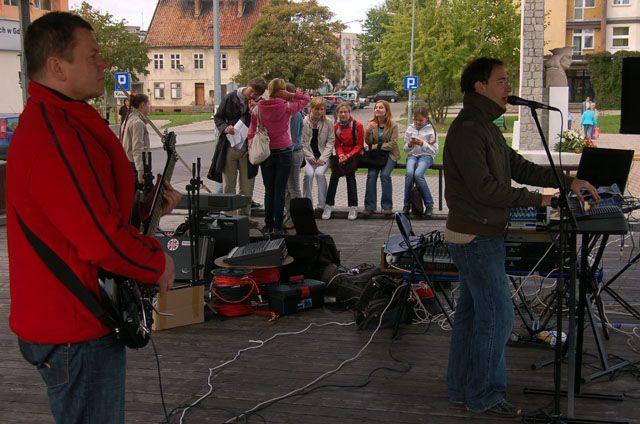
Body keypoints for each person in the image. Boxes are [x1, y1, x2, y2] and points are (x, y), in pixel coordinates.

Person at [6, 12, 181, 423]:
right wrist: (155, 262)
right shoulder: (55, 134)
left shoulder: (65, 118)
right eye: (93, 55)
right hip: (72, 325)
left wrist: (142, 208)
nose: (103, 63)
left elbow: (82, 208)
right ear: (57, 66)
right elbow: (97, 237)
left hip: (78, 315)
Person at [443, 57, 599, 417]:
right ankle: (483, 394)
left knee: (472, 314)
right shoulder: (470, 128)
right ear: (479, 87)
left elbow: (520, 167)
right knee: (498, 315)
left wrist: (566, 181)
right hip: (475, 236)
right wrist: (541, 199)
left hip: (477, 233)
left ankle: (461, 388)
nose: (508, 88)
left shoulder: (484, 126)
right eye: (501, 81)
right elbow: (486, 191)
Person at [247, 78, 309, 234]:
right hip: (284, 152)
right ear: (283, 91)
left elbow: (251, 129)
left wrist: (250, 142)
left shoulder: (258, 108)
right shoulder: (287, 107)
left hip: (266, 153)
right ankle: (278, 226)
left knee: (269, 190)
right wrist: (291, 94)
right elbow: (306, 98)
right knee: (280, 190)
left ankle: (268, 224)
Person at [214, 77, 267, 224]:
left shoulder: (259, 102)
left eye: (256, 95)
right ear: (247, 86)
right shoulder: (230, 97)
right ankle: (230, 217)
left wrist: (254, 110)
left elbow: (263, 123)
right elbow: (218, 117)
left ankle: (245, 217)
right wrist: (225, 128)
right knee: (229, 185)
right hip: (230, 147)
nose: (252, 96)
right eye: (251, 92)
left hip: (248, 151)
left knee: (247, 186)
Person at [322, 102, 364, 220]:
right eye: (341, 112)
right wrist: (340, 155)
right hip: (341, 155)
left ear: (350, 113)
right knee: (334, 175)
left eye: (345, 112)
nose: (343, 114)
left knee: (350, 176)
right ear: (337, 113)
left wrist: (348, 155)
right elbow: (337, 145)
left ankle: (353, 206)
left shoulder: (357, 125)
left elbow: (359, 145)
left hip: (354, 155)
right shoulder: (335, 127)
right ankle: (328, 205)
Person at [363, 100, 399, 215]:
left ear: (386, 111)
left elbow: (393, 143)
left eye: (381, 107)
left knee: (384, 176)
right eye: (376, 107)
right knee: (371, 176)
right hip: (375, 156)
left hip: (389, 154)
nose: (377, 109)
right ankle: (370, 207)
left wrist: (378, 146)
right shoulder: (372, 123)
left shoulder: (393, 125)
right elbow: (368, 142)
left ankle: (387, 207)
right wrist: (368, 130)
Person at [402, 106, 437, 217]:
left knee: (418, 174)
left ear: (427, 118)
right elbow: (405, 149)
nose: (418, 122)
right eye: (416, 120)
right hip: (412, 155)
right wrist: (410, 144)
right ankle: (406, 205)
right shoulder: (410, 128)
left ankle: (429, 205)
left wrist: (423, 144)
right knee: (409, 174)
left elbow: (434, 150)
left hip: (426, 156)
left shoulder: (431, 129)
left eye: (421, 120)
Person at [302, 97, 335, 210]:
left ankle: (322, 204)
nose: (319, 112)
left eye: (322, 109)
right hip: (308, 156)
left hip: (323, 156)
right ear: (311, 109)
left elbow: (331, 142)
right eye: (317, 109)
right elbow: (303, 143)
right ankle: (307, 204)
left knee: (320, 173)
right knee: (309, 174)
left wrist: (323, 158)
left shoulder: (328, 122)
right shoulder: (304, 122)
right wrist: (310, 157)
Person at [284, 82, 305, 230]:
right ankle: (289, 216)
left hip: (293, 152)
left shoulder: (294, 114)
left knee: (294, 188)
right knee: (287, 189)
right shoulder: (292, 111)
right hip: (290, 152)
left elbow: (292, 139)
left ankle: (297, 218)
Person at [121, 93, 151, 188]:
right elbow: (137, 148)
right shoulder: (137, 122)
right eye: (148, 104)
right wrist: (140, 171)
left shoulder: (129, 119)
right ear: (142, 105)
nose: (149, 107)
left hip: (129, 164)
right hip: (135, 166)